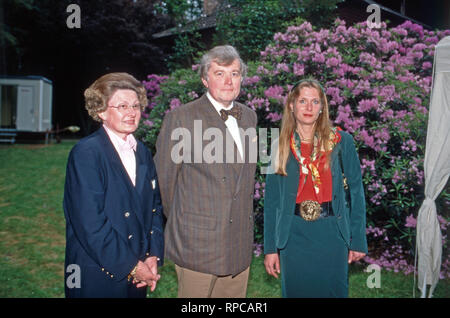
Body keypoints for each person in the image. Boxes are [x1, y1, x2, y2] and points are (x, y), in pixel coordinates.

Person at [154, 45, 257, 298]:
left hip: (239, 244)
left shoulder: (249, 117)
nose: (228, 81)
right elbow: (165, 183)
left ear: (242, 78)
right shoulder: (181, 118)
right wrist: (187, 223)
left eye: (234, 73)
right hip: (197, 245)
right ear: (204, 79)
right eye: (219, 73)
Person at [263, 79, 368, 298]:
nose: (309, 107)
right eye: (302, 101)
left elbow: (357, 192)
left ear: (322, 107)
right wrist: (270, 248)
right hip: (293, 236)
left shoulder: (342, 141)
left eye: (315, 101)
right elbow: (271, 202)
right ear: (291, 105)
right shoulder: (277, 146)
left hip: (332, 234)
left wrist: (358, 239)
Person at [63, 72, 164, 298]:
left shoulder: (144, 153)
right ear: (101, 111)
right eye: (122, 106)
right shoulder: (86, 153)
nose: (131, 113)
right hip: (95, 273)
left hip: (138, 272)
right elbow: (90, 222)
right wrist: (131, 266)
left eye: (136, 106)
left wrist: (152, 255)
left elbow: (155, 208)